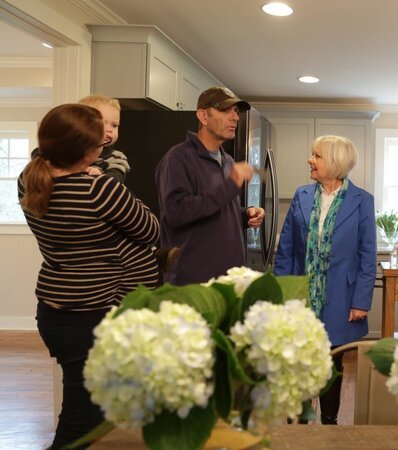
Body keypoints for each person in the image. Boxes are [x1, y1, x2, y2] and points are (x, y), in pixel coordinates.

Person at [18, 104, 160, 449]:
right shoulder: (100, 190)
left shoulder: (28, 181)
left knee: (87, 406)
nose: (103, 149)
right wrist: (111, 181)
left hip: (55, 311)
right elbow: (151, 230)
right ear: (84, 151)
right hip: (92, 315)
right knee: (83, 423)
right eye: (99, 146)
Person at [274, 135, 377, 425]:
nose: (310, 160)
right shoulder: (302, 195)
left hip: (342, 298)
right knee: (300, 361)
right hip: (301, 295)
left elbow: (367, 254)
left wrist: (361, 301)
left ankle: (330, 423)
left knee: (332, 362)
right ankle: (300, 423)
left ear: (334, 161)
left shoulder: (362, 201)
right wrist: (281, 293)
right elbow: (287, 251)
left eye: (316, 155)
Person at [155, 87, 265, 285]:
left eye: (236, 112)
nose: (235, 118)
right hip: (193, 282)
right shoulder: (178, 158)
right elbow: (177, 212)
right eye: (225, 110)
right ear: (203, 116)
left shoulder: (228, 161)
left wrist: (245, 215)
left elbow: (216, 210)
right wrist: (231, 184)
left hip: (228, 279)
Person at [31, 95, 130, 183]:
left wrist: (101, 177)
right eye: (103, 123)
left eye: (114, 125)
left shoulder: (116, 157)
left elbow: (116, 178)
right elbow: (38, 154)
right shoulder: (65, 150)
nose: (109, 130)